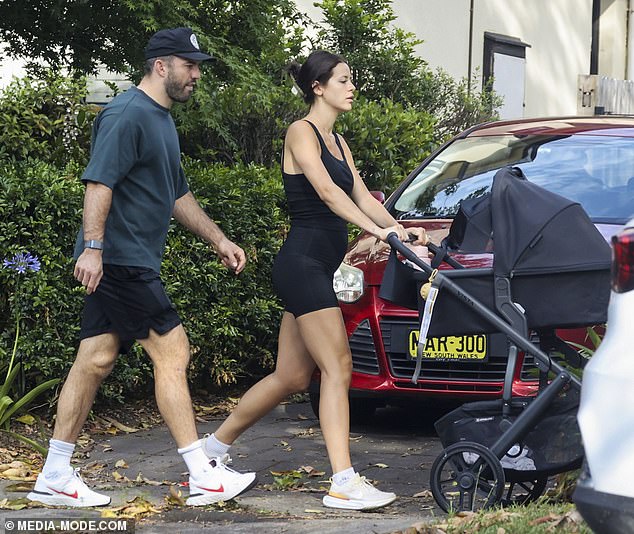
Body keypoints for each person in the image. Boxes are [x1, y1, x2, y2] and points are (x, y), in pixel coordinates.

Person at [27, 27, 257, 508]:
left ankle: (53, 473)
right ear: (160, 65)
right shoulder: (127, 114)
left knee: (94, 360)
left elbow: (176, 194)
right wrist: (93, 249)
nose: (196, 75)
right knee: (173, 353)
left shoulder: (162, 120)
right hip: (121, 261)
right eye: (190, 65)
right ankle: (201, 474)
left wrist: (219, 239)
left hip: (127, 260)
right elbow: (97, 184)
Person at [199, 50, 428, 511]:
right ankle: (343, 480)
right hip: (301, 264)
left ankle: (210, 453)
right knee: (338, 367)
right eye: (344, 79)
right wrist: (376, 231)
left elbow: (362, 195)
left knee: (291, 375)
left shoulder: (338, 142)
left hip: (319, 266)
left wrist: (399, 230)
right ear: (318, 87)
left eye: (352, 79)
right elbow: (327, 191)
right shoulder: (300, 132)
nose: (352, 87)